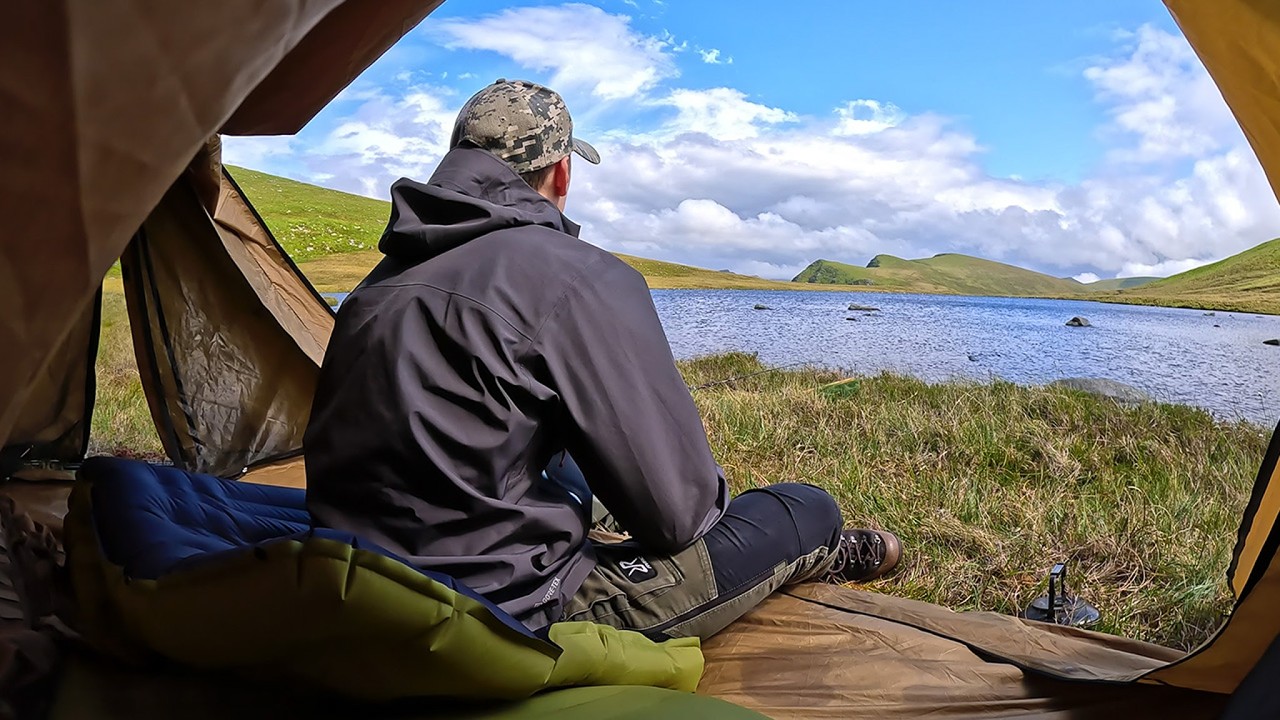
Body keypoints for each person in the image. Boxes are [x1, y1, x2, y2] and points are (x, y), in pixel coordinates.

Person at [304, 79, 902, 640]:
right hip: (498, 607)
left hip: (352, 579)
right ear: (561, 172)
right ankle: (822, 551)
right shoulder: (579, 277)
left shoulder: (374, 286)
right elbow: (677, 517)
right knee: (804, 508)